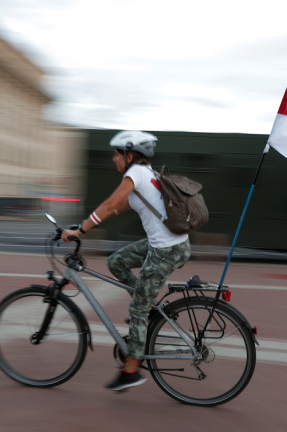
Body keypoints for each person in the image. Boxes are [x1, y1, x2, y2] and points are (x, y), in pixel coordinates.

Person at [61, 130, 191, 392]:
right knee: (116, 262)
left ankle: (131, 371)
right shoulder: (147, 174)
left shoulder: (136, 174)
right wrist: (83, 224)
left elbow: (110, 204)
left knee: (137, 310)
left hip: (166, 250)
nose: (114, 159)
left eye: (117, 154)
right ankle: (149, 307)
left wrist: (81, 231)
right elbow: (118, 208)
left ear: (130, 155)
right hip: (166, 245)